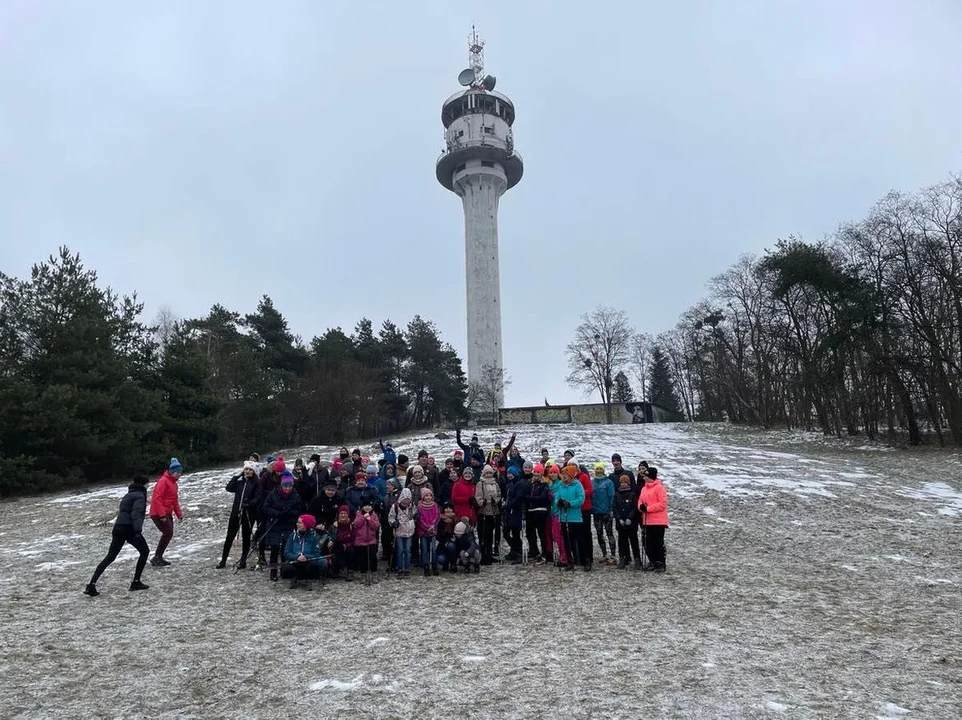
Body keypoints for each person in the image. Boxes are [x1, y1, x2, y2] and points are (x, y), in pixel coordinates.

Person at [84, 475, 151, 596]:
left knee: (110, 557)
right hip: (129, 528)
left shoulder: (127, 495)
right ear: (143, 485)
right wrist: (137, 531)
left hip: (118, 527)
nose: (149, 486)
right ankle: (136, 582)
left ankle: (91, 584)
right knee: (145, 551)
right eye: (148, 484)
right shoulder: (140, 496)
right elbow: (136, 514)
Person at [217, 460, 262, 569]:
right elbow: (228, 488)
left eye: (250, 470)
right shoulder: (240, 481)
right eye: (246, 469)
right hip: (236, 512)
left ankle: (243, 560)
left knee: (246, 537)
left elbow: (258, 497)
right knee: (230, 536)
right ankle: (223, 560)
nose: (247, 471)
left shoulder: (256, 483)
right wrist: (236, 477)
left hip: (248, 513)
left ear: (254, 471)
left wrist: (250, 504)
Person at [260, 472, 304, 581]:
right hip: (275, 524)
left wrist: (290, 513)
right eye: (286, 486)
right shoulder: (273, 494)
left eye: (290, 486)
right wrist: (277, 513)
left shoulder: (295, 495)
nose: (288, 488)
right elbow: (265, 508)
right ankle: (273, 571)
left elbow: (299, 509)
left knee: (286, 549)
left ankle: (285, 570)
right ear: (281, 486)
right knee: (274, 549)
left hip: (288, 524)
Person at [148, 457, 184, 567]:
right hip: (158, 513)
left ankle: (158, 557)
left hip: (167, 513)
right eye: (177, 472)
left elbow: (174, 500)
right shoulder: (163, 481)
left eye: (180, 473)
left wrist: (179, 514)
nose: (179, 475)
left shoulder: (173, 484)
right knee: (168, 533)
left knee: (168, 534)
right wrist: (162, 515)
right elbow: (157, 499)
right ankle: (157, 557)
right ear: (172, 472)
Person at [280, 514, 326, 589]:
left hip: (307, 561)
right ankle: (295, 577)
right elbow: (287, 552)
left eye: (299, 522)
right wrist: (297, 557)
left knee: (314, 565)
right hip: (295, 561)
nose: (297, 524)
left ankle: (309, 579)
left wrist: (305, 557)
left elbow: (316, 554)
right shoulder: (292, 536)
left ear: (306, 525)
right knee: (286, 569)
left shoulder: (314, 537)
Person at [555, 464, 586, 572]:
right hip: (563, 517)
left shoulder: (577, 485)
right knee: (567, 541)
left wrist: (570, 503)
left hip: (575, 517)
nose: (563, 476)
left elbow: (581, 499)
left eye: (566, 474)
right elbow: (556, 497)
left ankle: (585, 560)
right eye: (562, 474)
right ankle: (569, 561)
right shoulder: (560, 485)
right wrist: (558, 502)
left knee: (579, 539)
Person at [638, 466, 669, 572]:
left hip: (658, 521)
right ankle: (652, 561)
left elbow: (662, 504)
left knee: (658, 542)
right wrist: (641, 507)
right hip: (647, 520)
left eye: (645, 476)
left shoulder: (660, 488)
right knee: (647, 542)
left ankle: (660, 562)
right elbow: (640, 501)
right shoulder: (644, 488)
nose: (644, 478)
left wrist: (648, 508)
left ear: (650, 476)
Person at [474, 464, 502, 565]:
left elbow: (499, 494)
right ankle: (484, 555)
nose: (489, 474)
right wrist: (482, 502)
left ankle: (489, 555)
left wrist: (496, 501)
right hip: (484, 512)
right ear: (484, 473)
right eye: (487, 473)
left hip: (493, 512)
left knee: (491, 535)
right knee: (483, 535)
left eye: (490, 472)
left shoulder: (495, 483)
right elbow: (478, 497)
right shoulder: (480, 483)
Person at [614, 474, 642, 569]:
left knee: (634, 541)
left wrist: (630, 518)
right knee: (622, 541)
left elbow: (634, 508)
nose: (623, 484)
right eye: (622, 482)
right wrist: (619, 519)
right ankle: (623, 558)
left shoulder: (632, 494)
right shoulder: (617, 494)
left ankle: (637, 559)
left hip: (631, 522)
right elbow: (615, 508)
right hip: (621, 522)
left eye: (625, 482)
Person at [591, 462, 617, 565]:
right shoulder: (592, 482)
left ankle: (613, 555)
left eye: (600, 469)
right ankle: (604, 554)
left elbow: (612, 496)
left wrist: (611, 510)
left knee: (609, 533)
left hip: (606, 512)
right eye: (597, 469)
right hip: (596, 512)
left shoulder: (608, 482)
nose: (598, 471)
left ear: (604, 470)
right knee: (599, 533)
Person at [388, 488, 416, 577]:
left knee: (407, 550)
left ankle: (407, 568)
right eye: (405, 499)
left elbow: (414, 514)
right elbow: (391, 517)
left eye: (408, 499)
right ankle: (400, 568)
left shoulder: (412, 506)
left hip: (409, 530)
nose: (406, 502)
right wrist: (393, 523)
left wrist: (416, 517)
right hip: (399, 531)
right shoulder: (395, 506)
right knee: (400, 550)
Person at [526, 463, 551, 564]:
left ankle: (545, 553)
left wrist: (529, 498)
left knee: (542, 534)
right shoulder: (531, 484)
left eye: (538, 472)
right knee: (530, 533)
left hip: (541, 511)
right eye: (535, 472)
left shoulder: (544, 484)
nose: (536, 474)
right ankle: (535, 552)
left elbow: (543, 498)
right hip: (531, 511)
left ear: (541, 473)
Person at [353, 499, 380, 583]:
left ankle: (374, 573)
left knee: (372, 557)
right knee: (363, 558)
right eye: (365, 506)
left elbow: (376, 526)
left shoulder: (374, 515)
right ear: (362, 507)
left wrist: (369, 519)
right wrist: (363, 518)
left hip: (371, 540)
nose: (367, 507)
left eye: (369, 506)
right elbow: (356, 524)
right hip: (360, 541)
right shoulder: (358, 514)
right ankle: (363, 574)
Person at [503, 465, 526, 563]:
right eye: (508, 473)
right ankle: (514, 550)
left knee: (516, 534)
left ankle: (519, 553)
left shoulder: (519, 484)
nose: (509, 475)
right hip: (509, 513)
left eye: (511, 474)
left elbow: (518, 498)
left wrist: (508, 506)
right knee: (506, 533)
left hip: (515, 512)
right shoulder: (510, 485)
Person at [417, 487, 441, 576]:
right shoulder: (420, 506)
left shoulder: (435, 505)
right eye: (426, 495)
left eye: (430, 495)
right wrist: (427, 527)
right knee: (424, 549)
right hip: (423, 531)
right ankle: (426, 566)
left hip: (433, 530)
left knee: (433, 549)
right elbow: (420, 519)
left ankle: (434, 565)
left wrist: (432, 525)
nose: (428, 497)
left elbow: (437, 516)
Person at [380, 477, 400, 567]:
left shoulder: (399, 496)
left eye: (389, 485)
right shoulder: (386, 496)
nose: (387, 486)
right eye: (387, 485)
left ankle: (396, 563)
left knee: (395, 545)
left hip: (396, 523)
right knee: (388, 544)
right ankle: (390, 564)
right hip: (386, 523)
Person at [333, 505, 355, 580]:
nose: (343, 515)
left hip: (349, 545)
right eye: (341, 513)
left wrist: (346, 545)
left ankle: (350, 571)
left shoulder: (351, 525)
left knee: (351, 551)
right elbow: (332, 537)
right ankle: (336, 569)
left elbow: (354, 539)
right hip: (338, 546)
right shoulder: (334, 525)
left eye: (345, 513)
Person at [436, 503, 458, 573]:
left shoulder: (456, 520)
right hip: (443, 545)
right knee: (440, 559)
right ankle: (446, 563)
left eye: (450, 508)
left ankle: (453, 564)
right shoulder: (439, 521)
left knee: (451, 545)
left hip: (455, 544)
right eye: (446, 508)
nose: (448, 510)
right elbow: (438, 535)